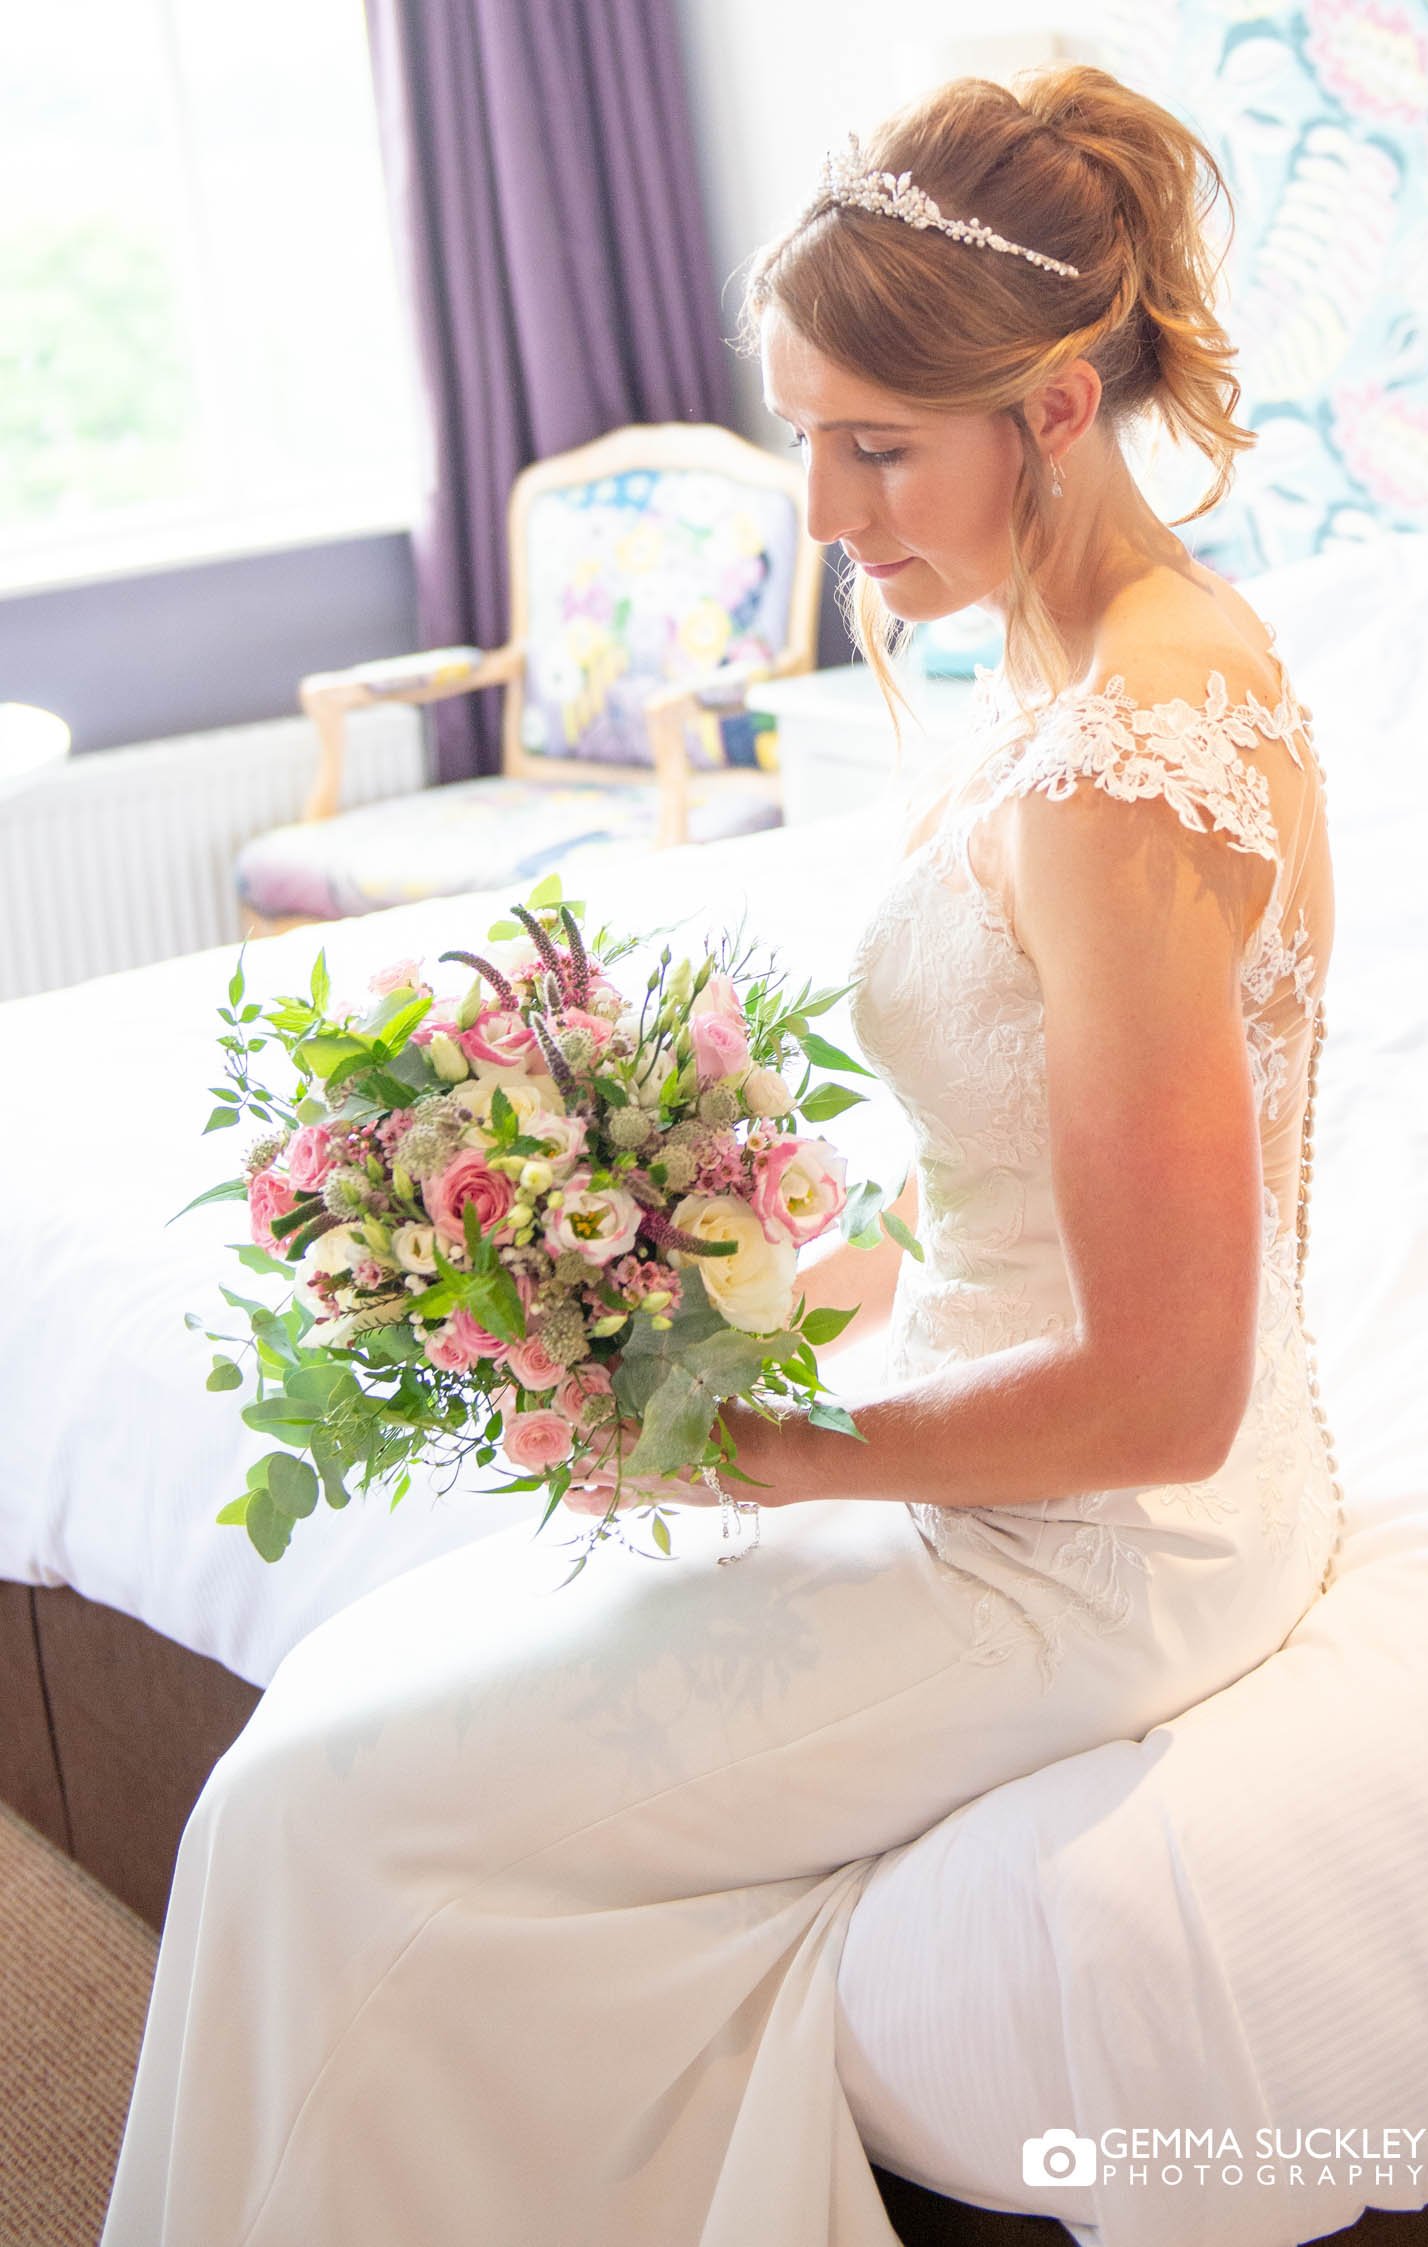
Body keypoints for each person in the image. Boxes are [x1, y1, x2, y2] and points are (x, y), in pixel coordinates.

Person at [102, 63, 1343, 2247]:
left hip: (1098, 1544)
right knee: (340, 1717)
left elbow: (1166, 1393)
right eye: (803, 429)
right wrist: (706, 1297)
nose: (824, 504)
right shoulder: (1042, 662)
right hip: (974, 1440)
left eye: (876, 443)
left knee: (327, 1807)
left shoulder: (1134, 754)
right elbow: (1004, 1188)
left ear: (1058, 408)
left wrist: (768, 1452)